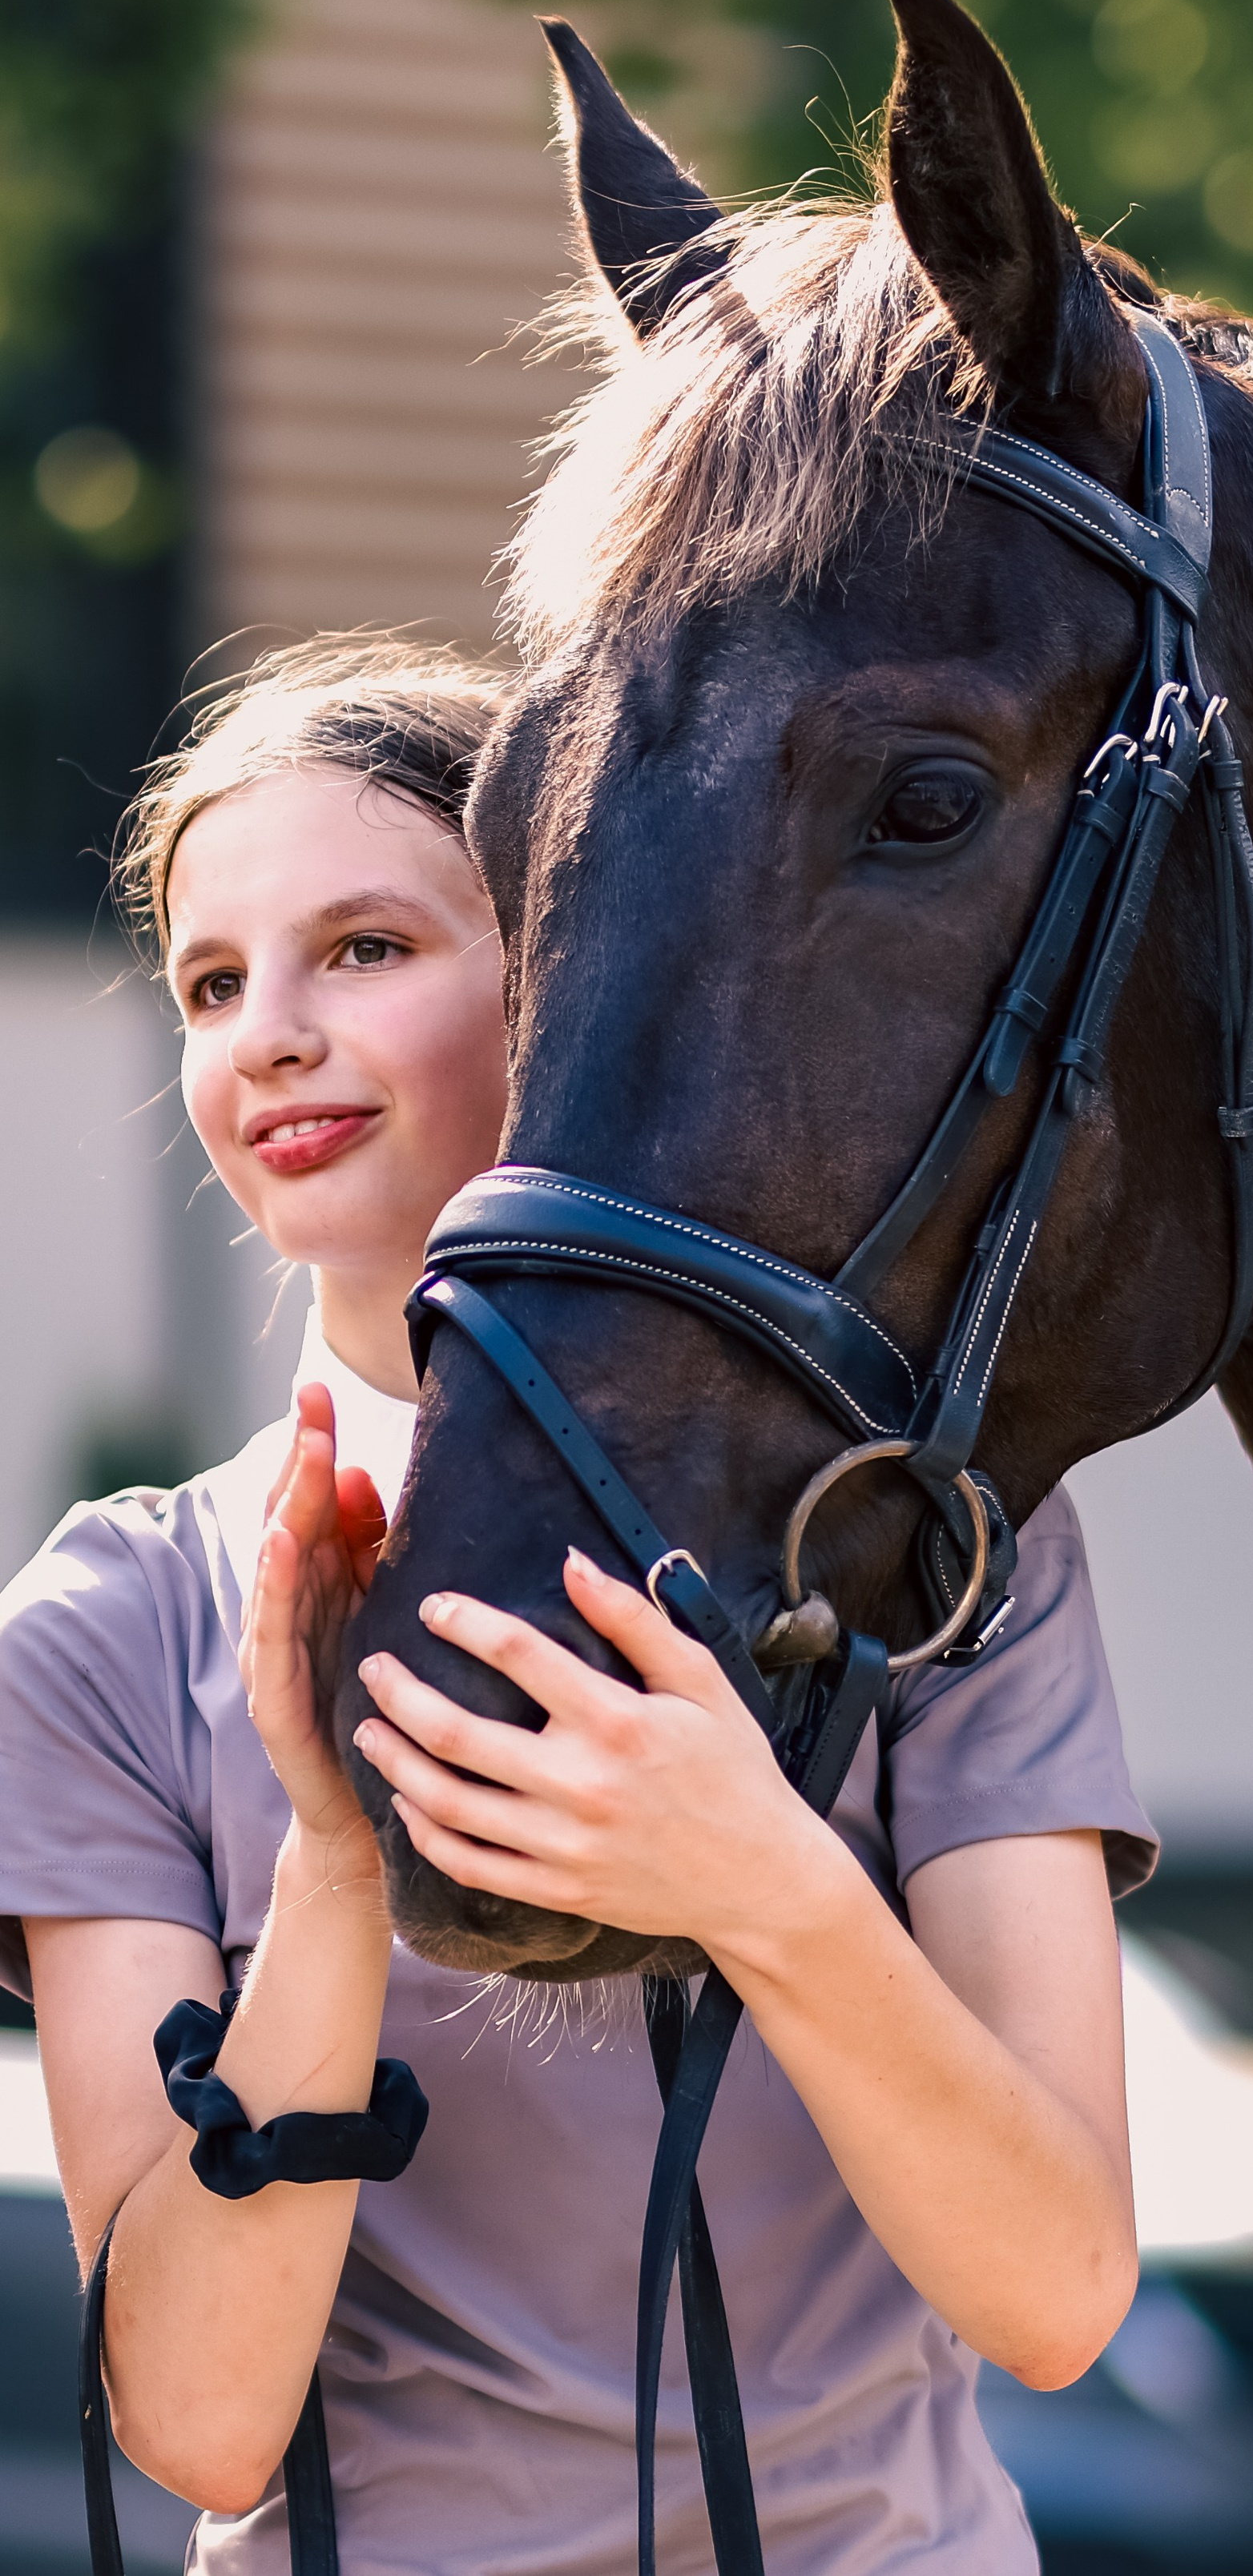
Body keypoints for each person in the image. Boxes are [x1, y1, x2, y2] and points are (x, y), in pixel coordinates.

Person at [0, 638, 1154, 2574]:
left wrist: (757, 1876)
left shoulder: (923, 1540)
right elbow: (200, 2426)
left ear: (566, 971)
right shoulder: (110, 1626)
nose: (268, 1032)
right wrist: (338, 1859)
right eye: (213, 983)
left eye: (363, 947)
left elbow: (1054, 2294)